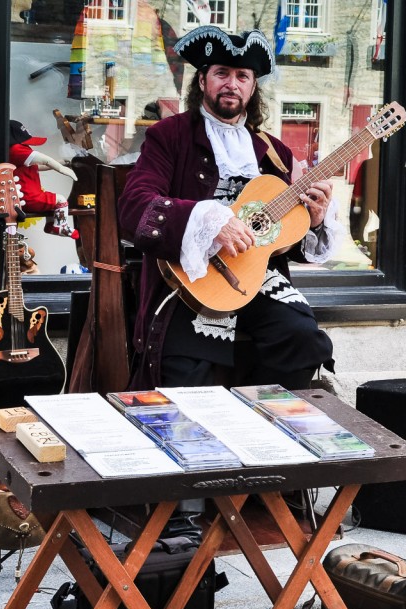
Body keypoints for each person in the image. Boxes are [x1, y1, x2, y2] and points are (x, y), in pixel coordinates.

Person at [117, 26, 338, 392]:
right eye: (222, 73)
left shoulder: (274, 153)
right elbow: (135, 205)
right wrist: (206, 220)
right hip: (191, 278)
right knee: (186, 380)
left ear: (252, 87)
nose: (231, 84)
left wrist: (312, 221)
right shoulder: (169, 136)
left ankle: (256, 418)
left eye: (242, 76)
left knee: (303, 342)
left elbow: (277, 239)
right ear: (202, 80)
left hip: (255, 278)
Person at [8, 120, 78, 238]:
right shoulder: (16, 149)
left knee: (50, 200)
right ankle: (61, 225)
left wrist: (61, 162)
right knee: (60, 200)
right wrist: (61, 168)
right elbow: (45, 160)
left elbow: (38, 166)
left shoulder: (17, 150)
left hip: (27, 196)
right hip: (28, 197)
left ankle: (51, 225)